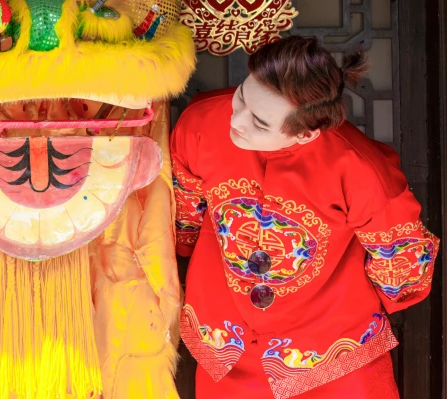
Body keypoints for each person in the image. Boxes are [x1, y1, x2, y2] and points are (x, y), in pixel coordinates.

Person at [170, 36, 439, 399]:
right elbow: (182, 218)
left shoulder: (360, 168)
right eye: (241, 98)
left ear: (306, 132)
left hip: (333, 354)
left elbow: (403, 265)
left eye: (260, 123)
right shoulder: (200, 123)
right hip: (225, 339)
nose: (236, 120)